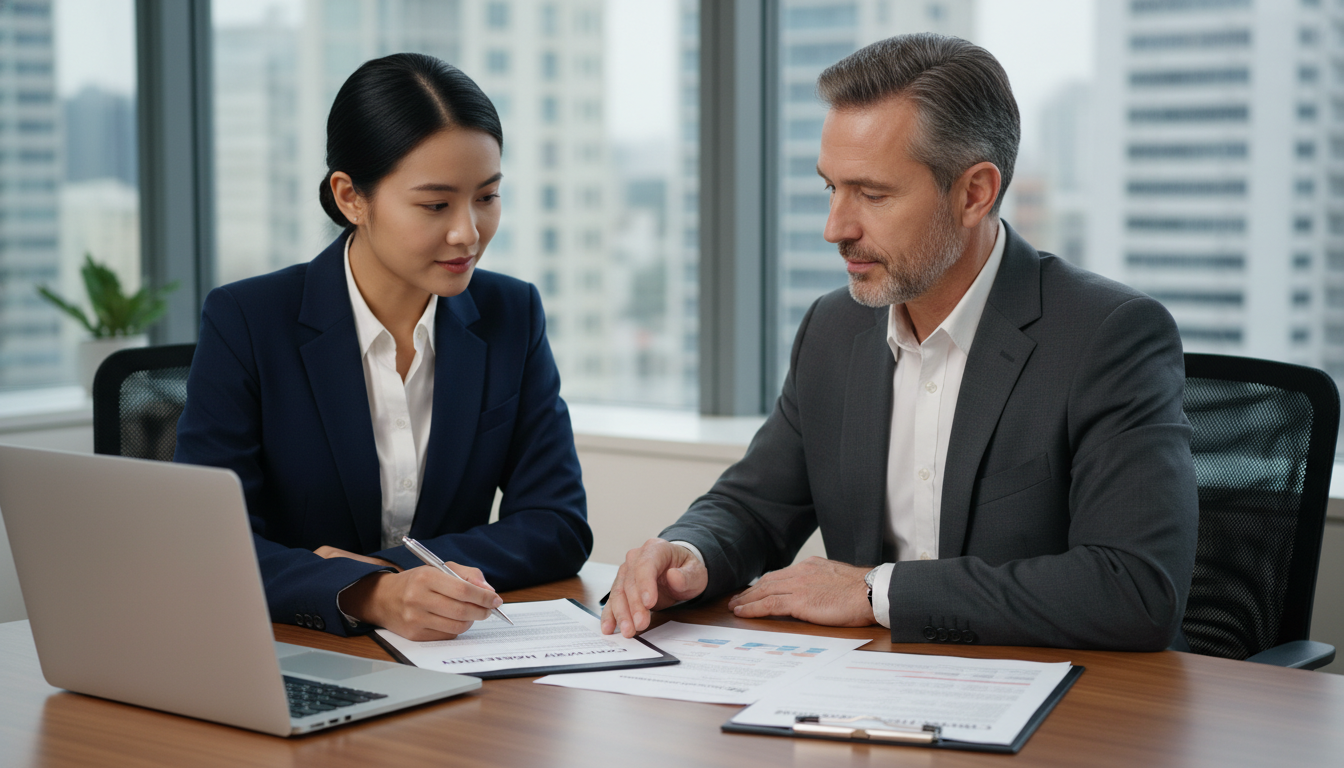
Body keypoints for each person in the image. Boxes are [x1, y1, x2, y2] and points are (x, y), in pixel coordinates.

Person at [601, 33, 1198, 651]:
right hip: (874, 698)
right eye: (831, 187)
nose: (836, 227)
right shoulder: (834, 329)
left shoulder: (1108, 335)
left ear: (974, 193)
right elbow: (753, 506)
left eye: (873, 194)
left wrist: (873, 593)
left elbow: (1134, 588)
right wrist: (689, 551)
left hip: (1064, 704)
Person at [176, 53, 591, 641]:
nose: (468, 232)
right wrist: (366, 595)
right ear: (351, 197)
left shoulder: (511, 315)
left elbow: (556, 524)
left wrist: (397, 578)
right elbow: (210, 542)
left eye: (487, 197)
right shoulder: (247, 320)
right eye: (435, 204)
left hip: (450, 657)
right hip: (291, 648)